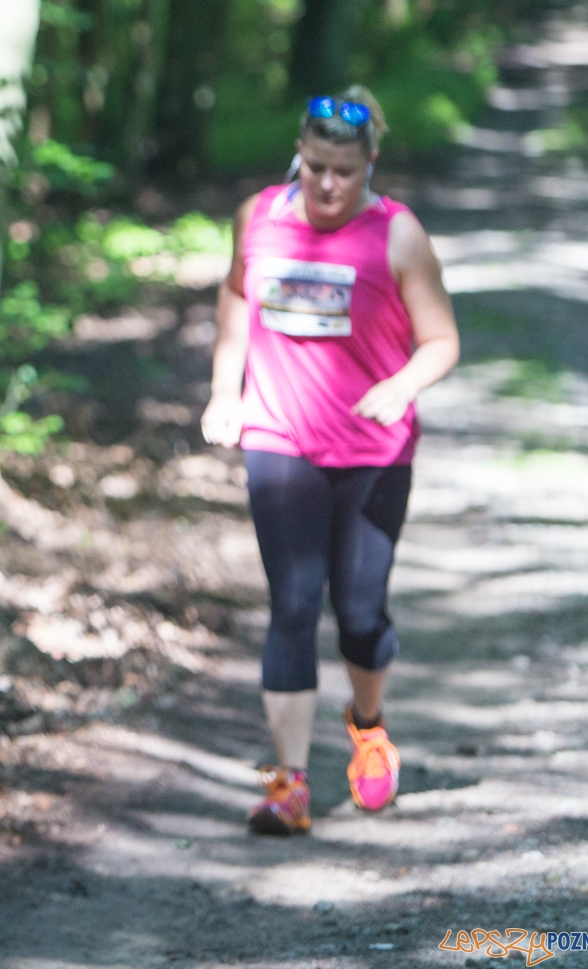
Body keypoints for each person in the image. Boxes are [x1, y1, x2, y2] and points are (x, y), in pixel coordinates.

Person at [201, 86, 459, 836]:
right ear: (299, 156)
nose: (326, 184)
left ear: (370, 164)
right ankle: (287, 785)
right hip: (280, 440)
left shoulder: (399, 236)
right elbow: (234, 299)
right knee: (291, 604)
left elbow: (442, 340)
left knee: (361, 613)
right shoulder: (260, 217)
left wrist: (401, 384)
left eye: (343, 171)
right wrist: (227, 391)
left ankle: (369, 725)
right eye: (314, 166)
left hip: (375, 450)